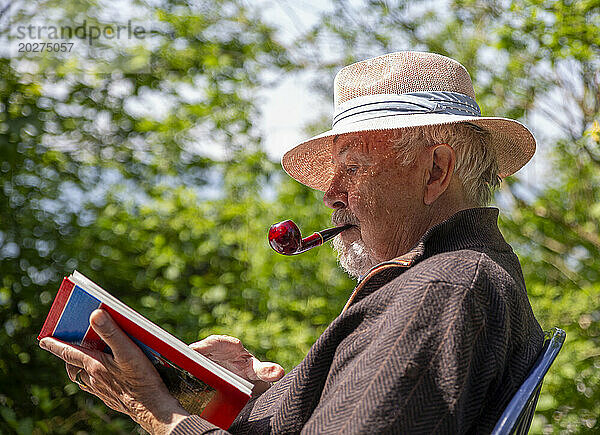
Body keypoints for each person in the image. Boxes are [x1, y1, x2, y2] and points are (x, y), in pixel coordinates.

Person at [39, 51, 544, 434]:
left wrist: (161, 414)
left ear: (435, 169)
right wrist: (260, 392)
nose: (330, 195)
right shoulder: (455, 278)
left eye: (351, 165)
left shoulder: (439, 292)